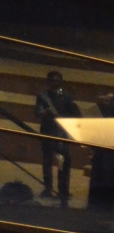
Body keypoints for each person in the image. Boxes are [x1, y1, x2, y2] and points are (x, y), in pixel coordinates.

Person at [33, 69, 78, 204]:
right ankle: (48, 188)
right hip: (47, 130)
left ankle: (63, 190)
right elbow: (38, 113)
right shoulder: (42, 96)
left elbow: (73, 113)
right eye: (52, 80)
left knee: (62, 162)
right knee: (47, 161)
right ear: (48, 82)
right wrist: (46, 112)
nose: (55, 83)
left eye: (57, 80)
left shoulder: (67, 96)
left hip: (61, 132)